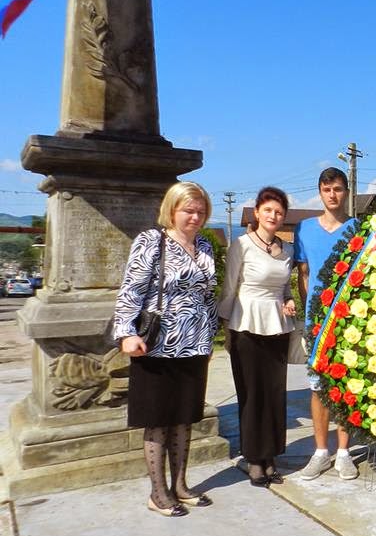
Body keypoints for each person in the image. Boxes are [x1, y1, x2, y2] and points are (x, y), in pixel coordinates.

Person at [115, 182, 218, 516]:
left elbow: (207, 296)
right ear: (171, 210)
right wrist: (126, 333)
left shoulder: (204, 245)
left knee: (184, 417)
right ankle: (158, 493)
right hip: (157, 345)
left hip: (195, 343)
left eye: (201, 211)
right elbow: (131, 290)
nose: (195, 216)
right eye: (188, 210)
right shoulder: (151, 241)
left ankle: (181, 485)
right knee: (158, 420)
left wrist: (212, 334)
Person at [220, 187, 297, 487]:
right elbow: (229, 288)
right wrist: (225, 326)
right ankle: (254, 457)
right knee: (252, 395)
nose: (273, 216)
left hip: (278, 326)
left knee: (275, 394)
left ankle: (271, 455)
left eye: (278, 212)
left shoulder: (287, 249)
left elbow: (286, 289)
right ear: (257, 213)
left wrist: (290, 300)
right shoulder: (241, 245)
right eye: (268, 210)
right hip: (246, 325)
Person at [294, 168, 358, 481]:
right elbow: (303, 274)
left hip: (350, 321)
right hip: (316, 323)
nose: (332, 195)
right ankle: (321, 451)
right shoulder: (304, 229)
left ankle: (344, 452)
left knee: (345, 386)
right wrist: (312, 311)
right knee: (318, 388)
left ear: (347, 191)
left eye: (338, 189)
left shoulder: (357, 228)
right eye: (327, 189)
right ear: (320, 192)